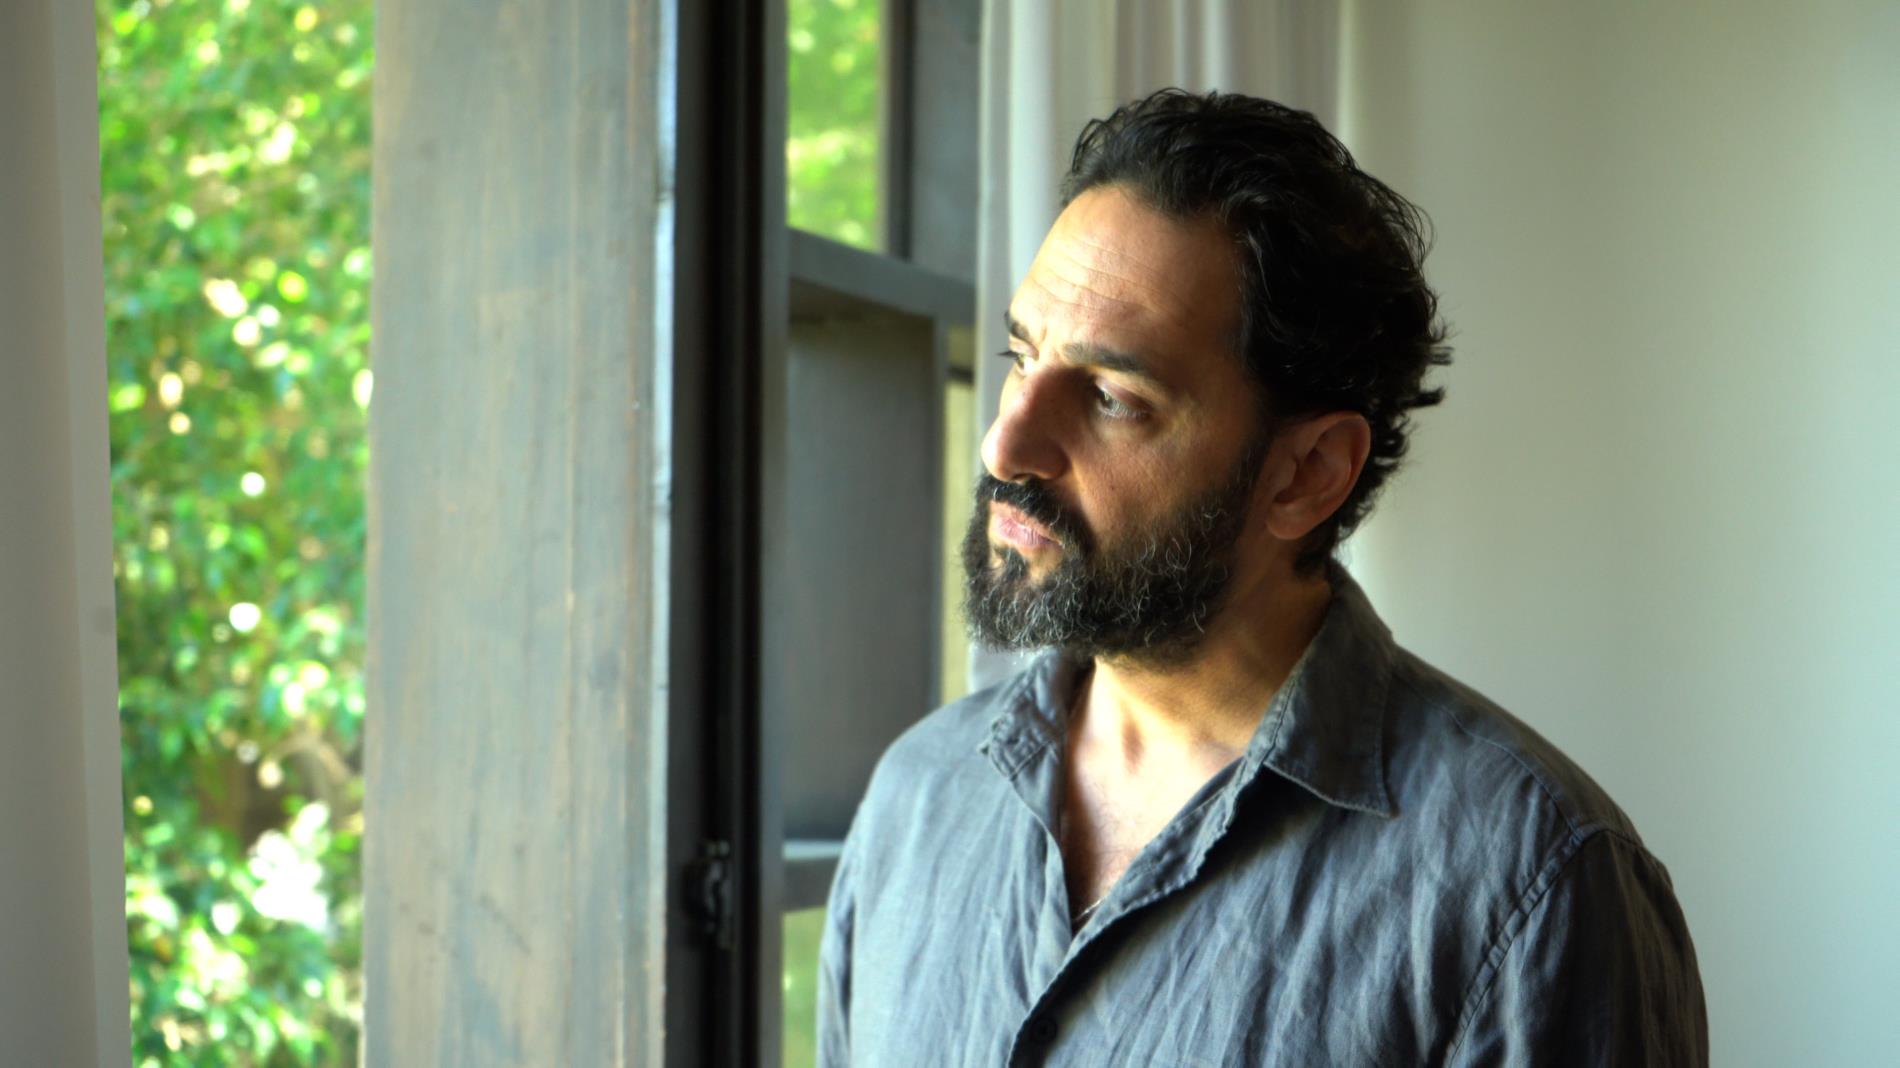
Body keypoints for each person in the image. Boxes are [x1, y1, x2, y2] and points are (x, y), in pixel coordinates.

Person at [815, 89, 1706, 1066]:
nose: (1005, 443)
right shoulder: (919, 796)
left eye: (1111, 397)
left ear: (1306, 474)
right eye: (1020, 356)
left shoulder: (1534, 882)